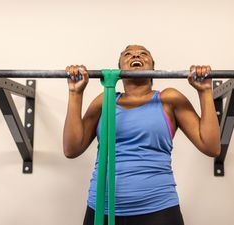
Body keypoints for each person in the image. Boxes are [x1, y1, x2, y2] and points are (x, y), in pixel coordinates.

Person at [63, 45, 221, 225]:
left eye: (143, 53)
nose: (136, 55)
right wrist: (75, 93)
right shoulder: (105, 100)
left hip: (158, 209)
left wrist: (205, 91)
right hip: (102, 208)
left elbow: (211, 146)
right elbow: (71, 149)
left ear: (153, 67)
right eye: (128, 54)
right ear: (119, 68)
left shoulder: (168, 99)